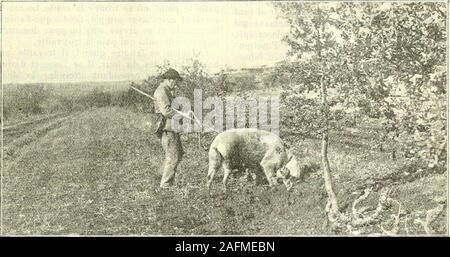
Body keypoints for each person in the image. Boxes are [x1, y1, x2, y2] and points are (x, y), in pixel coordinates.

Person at [153, 68, 184, 188]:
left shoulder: (166, 91)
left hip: (171, 127)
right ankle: (166, 184)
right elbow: (166, 111)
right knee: (173, 156)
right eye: (175, 81)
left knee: (178, 153)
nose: (176, 83)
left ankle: (166, 180)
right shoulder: (161, 92)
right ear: (170, 80)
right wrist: (181, 116)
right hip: (167, 128)